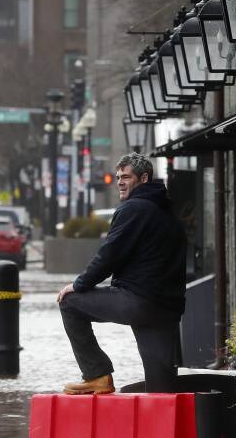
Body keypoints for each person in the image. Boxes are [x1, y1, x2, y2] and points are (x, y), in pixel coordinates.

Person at [56, 153, 187, 394]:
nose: (120, 182)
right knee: (162, 388)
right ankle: (167, 427)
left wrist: (79, 284)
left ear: (144, 178)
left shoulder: (133, 209)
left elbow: (110, 254)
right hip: (166, 310)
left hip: (137, 300)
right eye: (118, 177)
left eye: (126, 177)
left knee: (70, 303)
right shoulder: (170, 215)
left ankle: (97, 374)